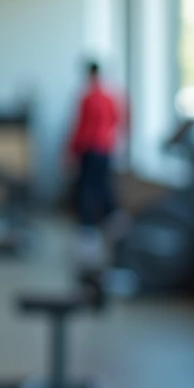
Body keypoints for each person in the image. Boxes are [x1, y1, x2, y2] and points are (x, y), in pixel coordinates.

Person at [68, 61, 124, 253]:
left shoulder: (88, 98)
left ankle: (88, 231)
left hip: (89, 148)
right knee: (103, 185)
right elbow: (116, 121)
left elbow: (81, 126)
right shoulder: (110, 97)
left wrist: (73, 151)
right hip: (105, 148)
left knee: (87, 189)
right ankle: (113, 222)